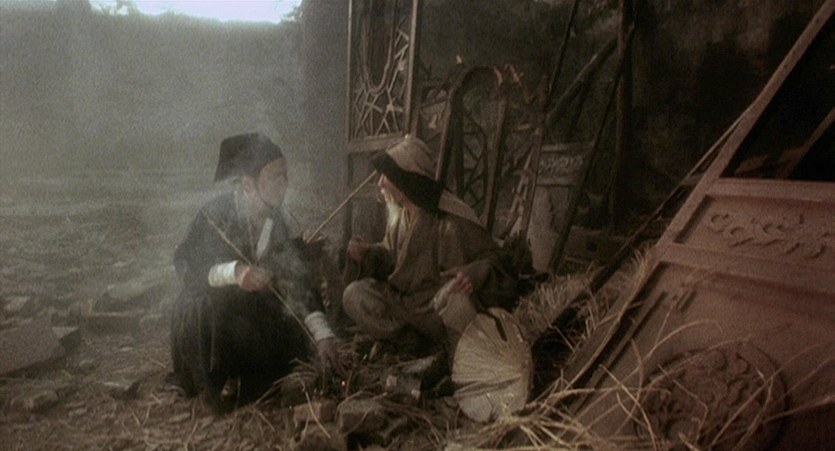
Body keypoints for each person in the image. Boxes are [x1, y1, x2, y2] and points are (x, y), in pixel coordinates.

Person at [169, 132, 342, 413]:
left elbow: (297, 280)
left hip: (247, 312)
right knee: (217, 307)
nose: (284, 183)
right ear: (249, 185)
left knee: (288, 327)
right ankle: (221, 381)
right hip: (211, 311)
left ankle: (251, 379)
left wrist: (323, 334)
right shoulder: (214, 215)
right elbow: (186, 265)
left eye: (285, 175)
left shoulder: (276, 220)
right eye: (275, 176)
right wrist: (234, 272)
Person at [342, 135, 518, 360]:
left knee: (454, 302)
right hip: (406, 305)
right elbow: (393, 259)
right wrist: (368, 253)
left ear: (405, 180)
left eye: (386, 176)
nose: (380, 183)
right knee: (354, 295)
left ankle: (448, 350)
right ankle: (413, 343)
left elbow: (498, 259)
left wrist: (472, 274)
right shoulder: (400, 215)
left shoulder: (451, 219)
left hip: (435, 308)